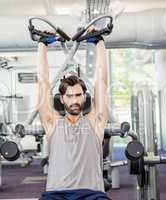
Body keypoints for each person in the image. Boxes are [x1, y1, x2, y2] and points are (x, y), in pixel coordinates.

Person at [37, 31, 111, 200]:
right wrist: (42, 44)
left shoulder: (95, 122)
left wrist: (99, 42)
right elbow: (42, 82)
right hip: (56, 194)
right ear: (62, 99)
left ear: (84, 96)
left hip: (92, 194)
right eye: (69, 96)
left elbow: (102, 81)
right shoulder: (52, 122)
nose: (75, 100)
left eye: (78, 95)